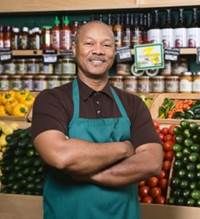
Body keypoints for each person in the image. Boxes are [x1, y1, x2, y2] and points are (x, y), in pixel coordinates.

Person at [31, 21, 163, 219]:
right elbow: (61, 156)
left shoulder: (133, 103)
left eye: (106, 45)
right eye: (89, 43)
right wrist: (125, 148)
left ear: (114, 52)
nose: (98, 51)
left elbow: (151, 162)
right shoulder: (52, 100)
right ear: (74, 49)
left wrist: (83, 172)